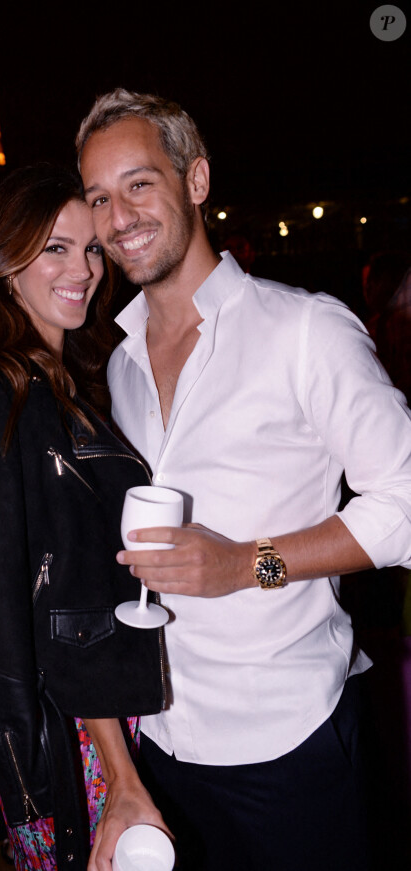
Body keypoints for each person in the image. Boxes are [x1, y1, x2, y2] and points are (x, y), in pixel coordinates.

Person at [75, 88, 411, 871]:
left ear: (195, 180)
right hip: (158, 735)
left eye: (138, 183)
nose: (117, 215)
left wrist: (246, 564)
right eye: (98, 196)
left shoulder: (303, 329)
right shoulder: (118, 361)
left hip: (284, 740)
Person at [0, 164, 166, 871]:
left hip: (99, 719)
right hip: (75, 737)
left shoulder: (66, 384)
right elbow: (0, 610)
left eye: (91, 248)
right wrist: (43, 771)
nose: (84, 268)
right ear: (6, 265)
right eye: (55, 248)